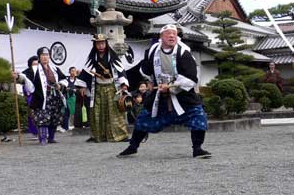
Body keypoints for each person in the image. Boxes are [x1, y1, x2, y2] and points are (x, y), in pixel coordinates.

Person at [118, 24, 211, 158]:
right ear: (161, 37)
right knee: (143, 118)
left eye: (174, 34)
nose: (172, 36)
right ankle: (133, 146)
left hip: (182, 95)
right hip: (159, 95)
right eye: (168, 33)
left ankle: (197, 148)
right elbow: (145, 69)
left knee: (198, 115)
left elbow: (191, 77)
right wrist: (149, 81)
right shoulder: (153, 51)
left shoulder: (183, 52)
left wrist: (172, 85)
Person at [77, 34, 129, 143]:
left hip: (112, 88)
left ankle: (120, 135)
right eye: (98, 43)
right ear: (95, 45)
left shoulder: (113, 57)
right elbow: (86, 72)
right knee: (96, 111)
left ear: (106, 43)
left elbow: (121, 71)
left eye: (102, 43)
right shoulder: (92, 58)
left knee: (114, 111)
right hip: (97, 88)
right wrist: (82, 86)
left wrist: (123, 84)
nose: (100, 45)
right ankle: (97, 136)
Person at [14, 47, 69, 145]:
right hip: (42, 98)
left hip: (55, 97)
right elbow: (25, 78)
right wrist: (17, 77)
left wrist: (60, 85)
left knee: (54, 117)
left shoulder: (55, 68)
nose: (45, 57)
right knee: (43, 118)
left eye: (47, 55)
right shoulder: (34, 69)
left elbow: (64, 79)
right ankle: (42, 138)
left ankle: (51, 138)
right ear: (39, 57)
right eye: (43, 55)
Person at [22, 55, 39, 139]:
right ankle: (34, 132)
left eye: (37, 64)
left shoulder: (42, 72)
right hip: (30, 96)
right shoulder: (26, 73)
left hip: (41, 95)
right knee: (31, 114)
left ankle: (43, 131)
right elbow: (23, 83)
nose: (36, 66)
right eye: (34, 64)